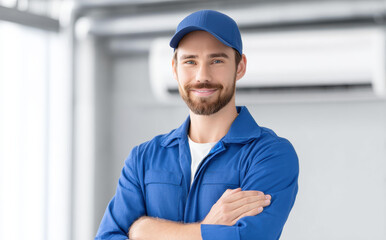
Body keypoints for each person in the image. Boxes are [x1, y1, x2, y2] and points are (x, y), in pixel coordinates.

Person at [95, 9, 299, 240]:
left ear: (240, 66)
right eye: (190, 61)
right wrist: (206, 228)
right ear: (175, 68)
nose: (202, 75)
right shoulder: (144, 158)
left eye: (217, 60)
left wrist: (144, 230)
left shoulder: (269, 155)